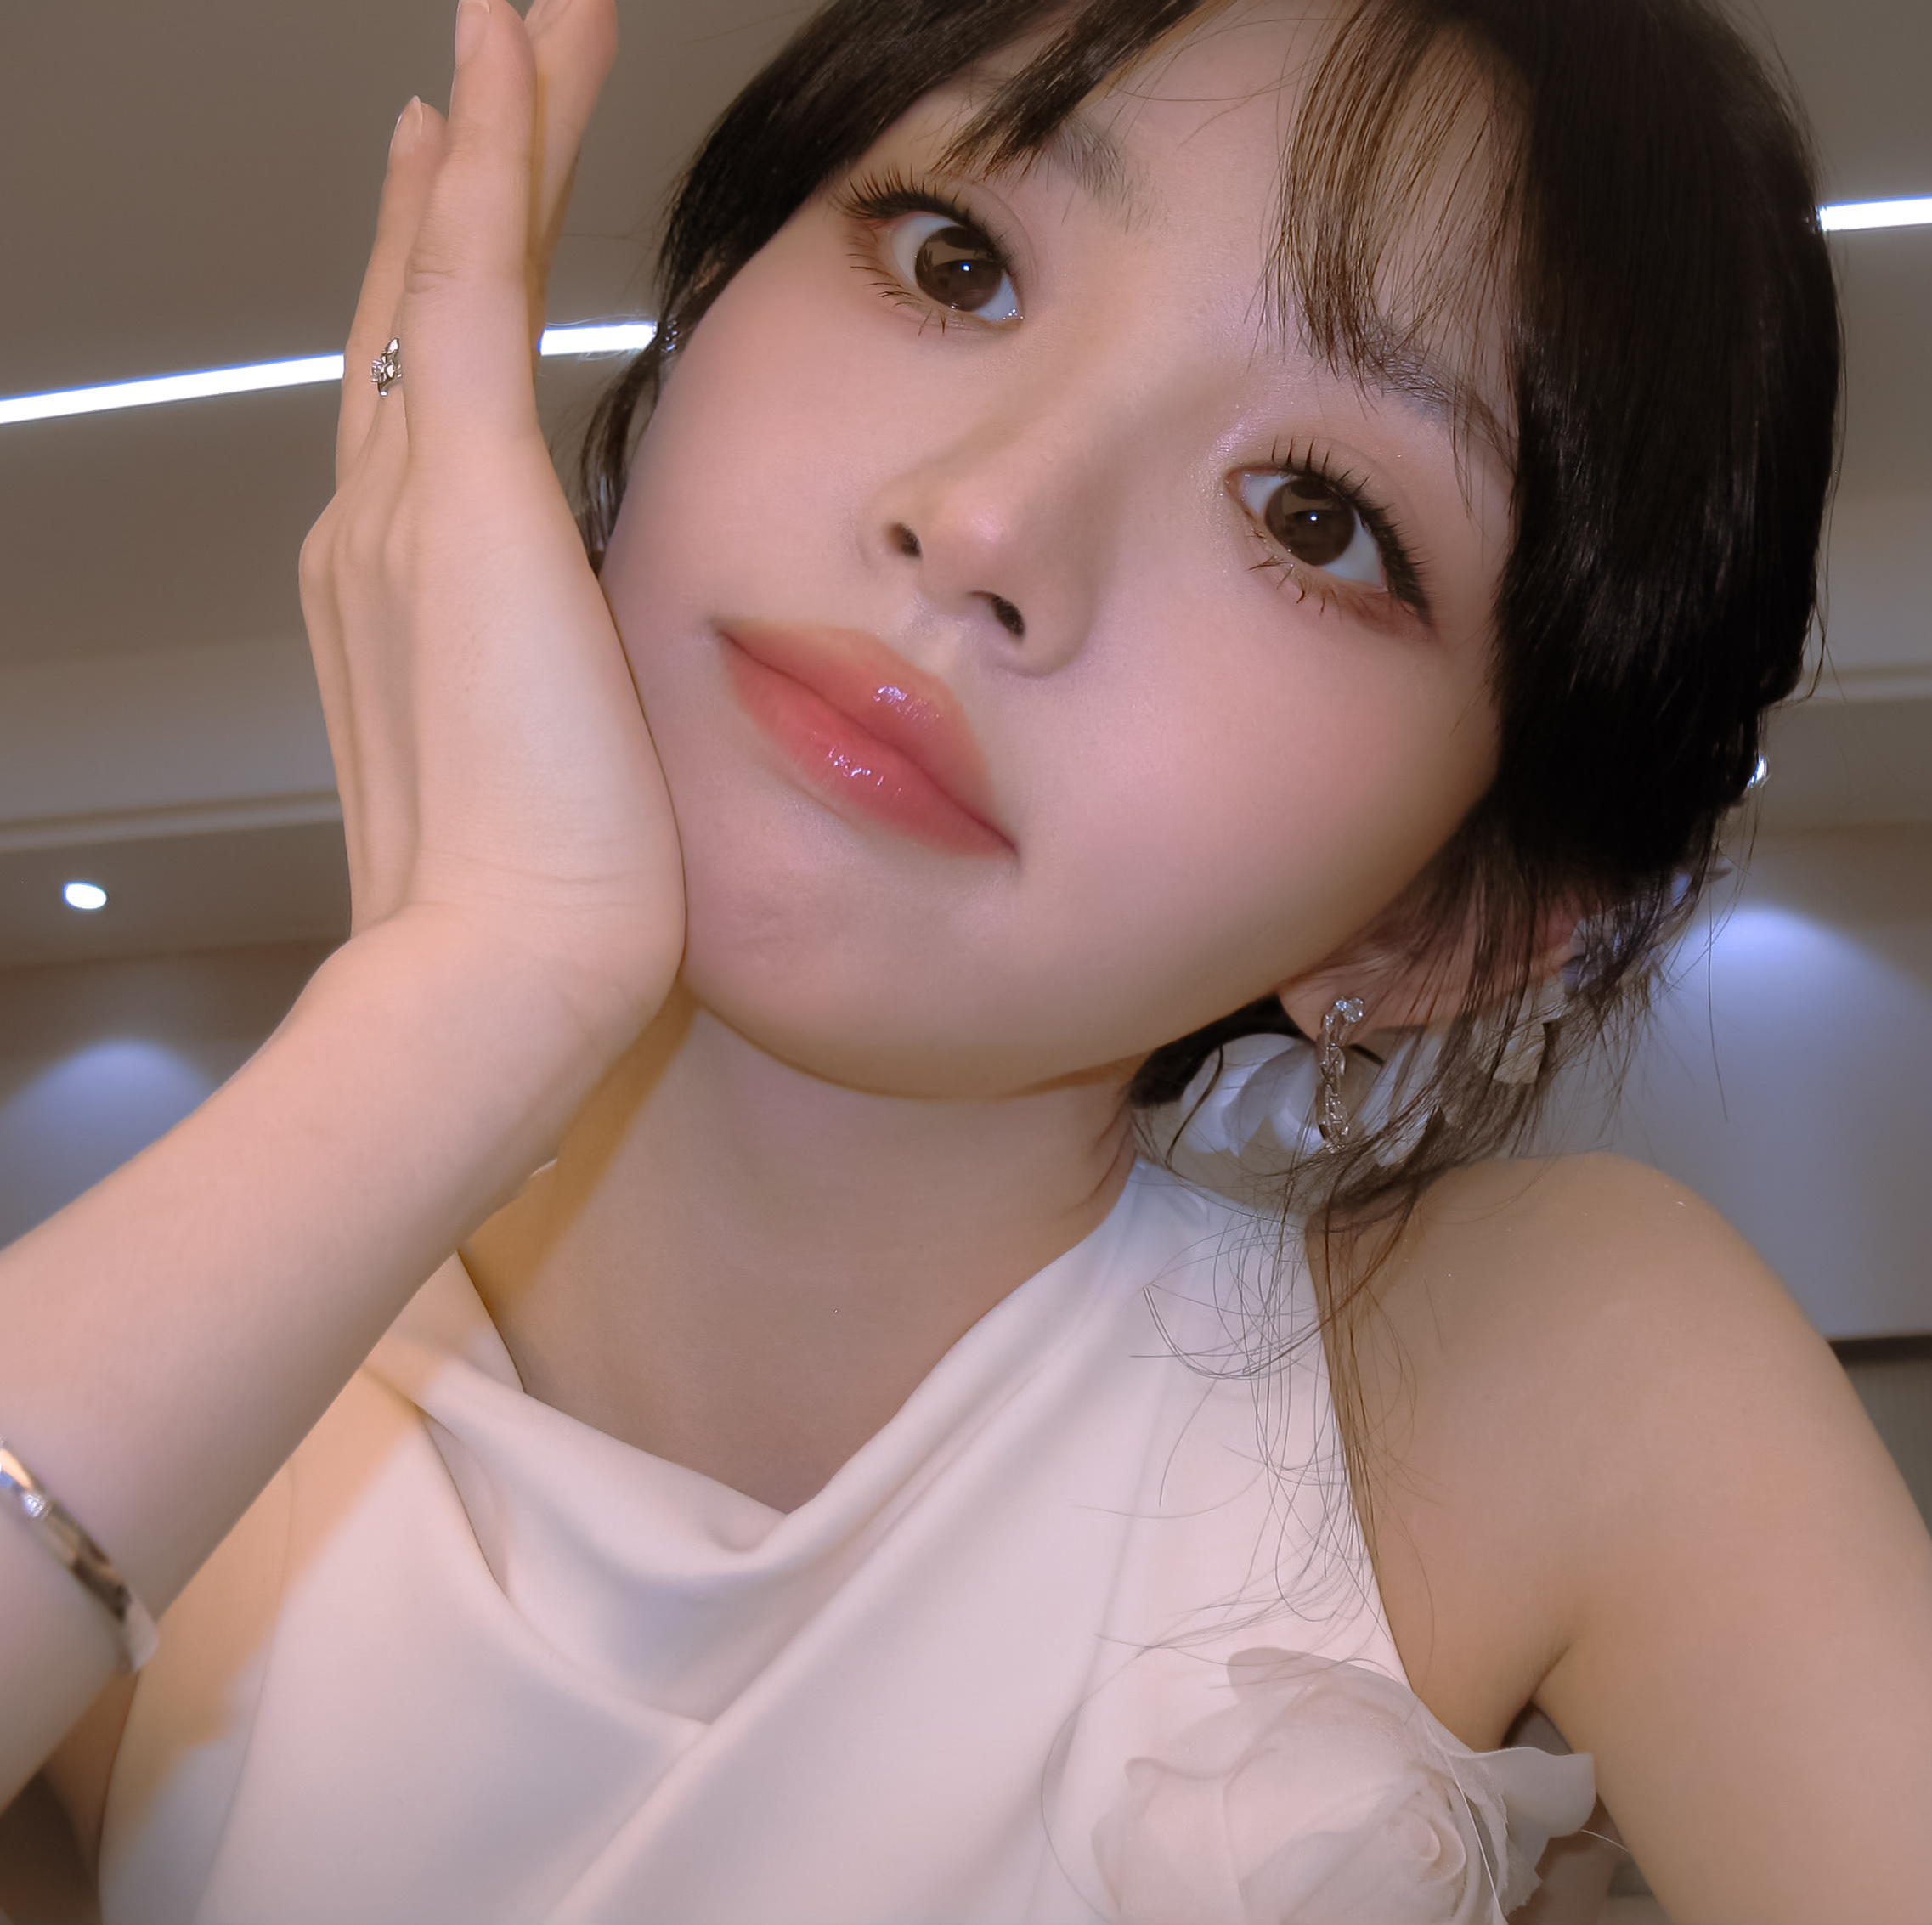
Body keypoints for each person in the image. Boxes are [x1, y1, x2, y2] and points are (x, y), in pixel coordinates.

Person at [1, 0, 1928, 1917]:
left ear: (1442, 920)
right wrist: (464, 997)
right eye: (957, 262)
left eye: (1315, 516)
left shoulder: (1545, 1379)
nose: (989, 519)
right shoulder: (180, 1378)